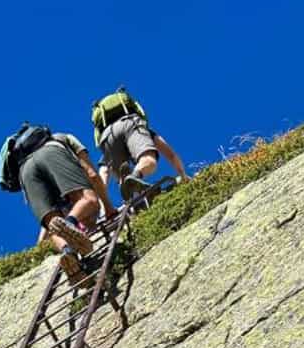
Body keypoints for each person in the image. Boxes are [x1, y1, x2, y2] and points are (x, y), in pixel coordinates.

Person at [18, 131, 116, 284]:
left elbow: (47, 227)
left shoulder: (22, 160)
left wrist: (37, 252)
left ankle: (67, 252)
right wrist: (108, 207)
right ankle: (70, 223)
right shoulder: (64, 138)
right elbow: (92, 174)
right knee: (89, 200)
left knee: (52, 222)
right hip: (51, 153)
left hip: (25, 172)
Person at [91, 88, 188, 202]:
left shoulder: (104, 131)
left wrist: (103, 206)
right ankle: (135, 177)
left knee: (122, 180)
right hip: (131, 123)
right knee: (148, 160)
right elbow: (171, 155)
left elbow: (104, 172)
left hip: (107, 137)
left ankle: (133, 196)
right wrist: (183, 176)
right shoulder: (144, 129)